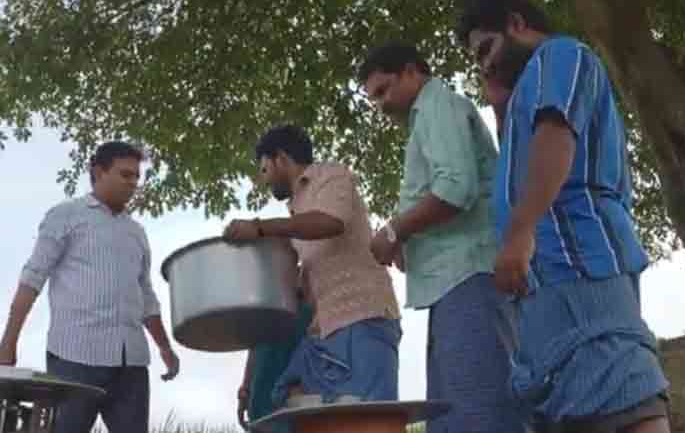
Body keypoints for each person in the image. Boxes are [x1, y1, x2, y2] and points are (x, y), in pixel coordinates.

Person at [457, 0, 672, 433]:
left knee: (622, 393)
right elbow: (524, 166)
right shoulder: (523, 92)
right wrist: (500, 109)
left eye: (486, 49)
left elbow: (557, 134)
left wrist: (519, 232)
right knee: (576, 408)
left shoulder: (561, 54)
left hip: (583, 263)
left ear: (516, 24)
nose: (484, 65)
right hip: (547, 282)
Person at [359, 42, 526, 433]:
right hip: (456, 284)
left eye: (383, 90)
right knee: (455, 412)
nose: (380, 105)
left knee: (476, 412)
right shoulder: (428, 117)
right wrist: (410, 240)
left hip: (469, 278)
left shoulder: (438, 106)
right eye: (373, 99)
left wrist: (394, 230)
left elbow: (456, 188)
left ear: (412, 72)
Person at [0, 141, 180, 433]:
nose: (133, 183)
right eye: (125, 175)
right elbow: (33, 278)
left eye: (137, 176)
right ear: (98, 172)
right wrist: (8, 342)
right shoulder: (65, 216)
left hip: (131, 363)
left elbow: (145, 297)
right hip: (75, 359)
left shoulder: (136, 233)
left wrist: (165, 348)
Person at [223, 124, 401, 410]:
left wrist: (259, 227)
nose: (263, 180)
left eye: (264, 168)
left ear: (281, 158)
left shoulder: (330, 175)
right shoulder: (296, 212)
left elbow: (331, 222)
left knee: (368, 420)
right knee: (284, 398)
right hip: (322, 333)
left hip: (361, 318)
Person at [236, 301, 313, 431]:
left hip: (297, 404)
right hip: (262, 404)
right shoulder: (261, 306)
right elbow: (254, 346)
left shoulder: (309, 310)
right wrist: (245, 390)